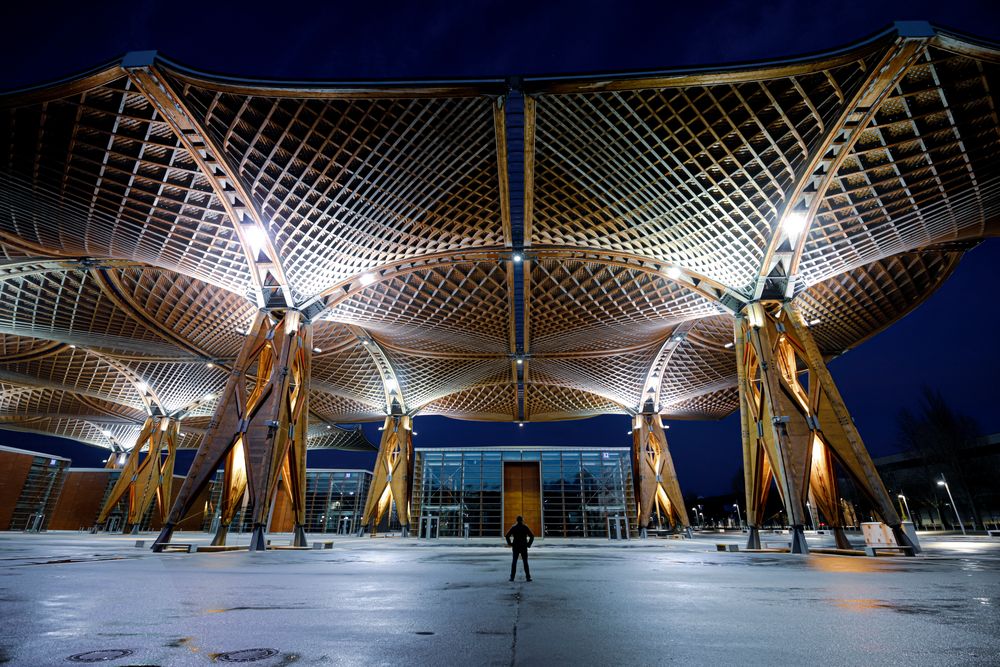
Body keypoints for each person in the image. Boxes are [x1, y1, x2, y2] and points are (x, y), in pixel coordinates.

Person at [505, 515, 534, 581]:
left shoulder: (514, 527)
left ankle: (512, 577)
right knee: (525, 562)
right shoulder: (525, 527)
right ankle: (528, 577)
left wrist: (510, 543)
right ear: (522, 520)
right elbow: (532, 536)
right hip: (523, 546)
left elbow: (507, 536)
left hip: (516, 546)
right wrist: (528, 544)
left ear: (517, 520)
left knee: (514, 562)